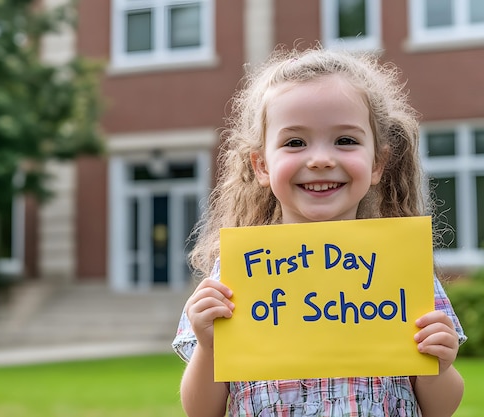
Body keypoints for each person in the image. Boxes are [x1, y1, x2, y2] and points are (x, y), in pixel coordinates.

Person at [172, 47, 467, 417]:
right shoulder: (233, 278)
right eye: (295, 142)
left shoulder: (404, 272)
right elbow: (201, 411)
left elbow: (441, 409)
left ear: (378, 163)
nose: (321, 159)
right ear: (262, 166)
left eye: (345, 140)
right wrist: (209, 347)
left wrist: (438, 368)